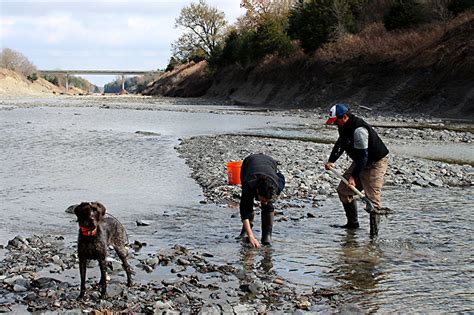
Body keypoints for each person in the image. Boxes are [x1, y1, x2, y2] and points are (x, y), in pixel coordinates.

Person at [324, 103, 389, 229]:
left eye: (336, 121)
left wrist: (353, 177)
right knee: (343, 191)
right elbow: (341, 144)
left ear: (344, 117)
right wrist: (331, 160)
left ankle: (373, 239)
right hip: (360, 160)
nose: (334, 124)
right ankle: (352, 224)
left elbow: (363, 157)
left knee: (372, 201)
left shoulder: (359, 130)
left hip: (375, 162)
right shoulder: (343, 126)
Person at [237, 153, 285, 247]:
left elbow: (281, 176)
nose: (265, 202)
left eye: (268, 199)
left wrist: (266, 201)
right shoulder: (249, 184)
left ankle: (267, 236)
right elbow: (244, 211)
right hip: (249, 163)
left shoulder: (277, 186)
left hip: (269, 162)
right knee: (247, 204)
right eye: (263, 199)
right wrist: (251, 236)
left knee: (268, 206)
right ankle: (246, 231)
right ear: (258, 192)